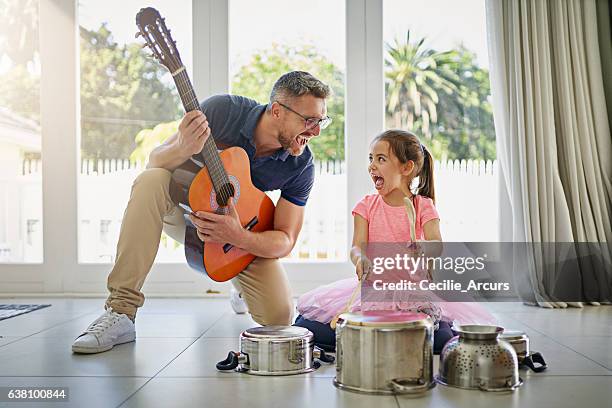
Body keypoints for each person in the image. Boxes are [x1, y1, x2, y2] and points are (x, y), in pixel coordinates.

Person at [72, 71, 332, 354]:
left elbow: (285, 239)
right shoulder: (223, 111)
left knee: (280, 319)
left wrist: (239, 236)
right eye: (308, 121)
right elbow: (156, 160)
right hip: (184, 214)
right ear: (277, 111)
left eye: (321, 121)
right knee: (150, 180)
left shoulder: (301, 165)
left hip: (239, 237)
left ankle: (239, 280)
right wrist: (183, 148)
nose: (316, 132)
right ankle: (120, 311)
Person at [294, 129, 495, 353]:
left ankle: (395, 337)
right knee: (304, 326)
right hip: (373, 291)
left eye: (381, 159)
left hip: (413, 294)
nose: (372, 166)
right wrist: (360, 259)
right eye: (371, 159)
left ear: (406, 168)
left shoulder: (422, 206)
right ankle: (388, 339)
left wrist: (423, 248)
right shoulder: (366, 206)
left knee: (441, 341)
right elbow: (356, 247)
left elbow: (437, 245)